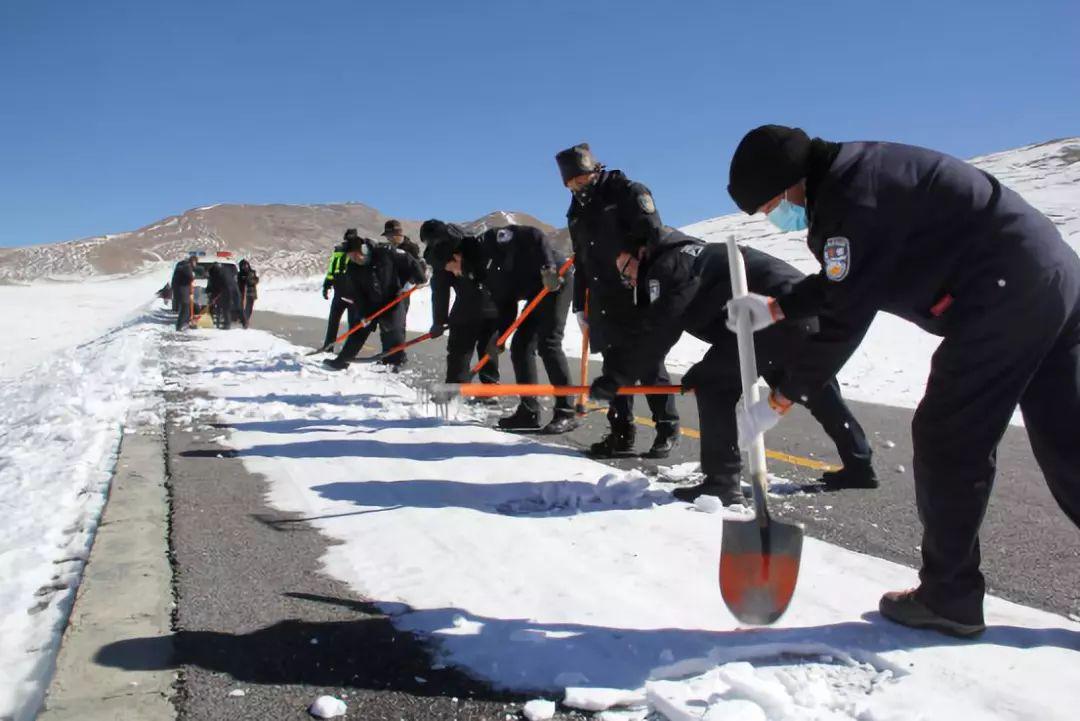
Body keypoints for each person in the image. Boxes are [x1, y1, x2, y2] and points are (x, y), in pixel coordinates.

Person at [725, 124, 1080, 637]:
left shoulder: (851, 201)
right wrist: (777, 308)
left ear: (789, 183)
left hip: (1002, 293)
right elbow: (845, 278)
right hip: (1050, 280)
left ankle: (949, 596)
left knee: (948, 436)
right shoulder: (857, 176)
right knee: (1070, 445)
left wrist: (780, 399)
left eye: (769, 207)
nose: (775, 220)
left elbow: (845, 318)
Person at [589, 226, 875, 505]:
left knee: (713, 385)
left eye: (626, 269)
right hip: (799, 309)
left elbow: (661, 326)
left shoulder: (667, 265)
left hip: (773, 314)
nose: (627, 278)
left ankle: (721, 482)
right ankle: (859, 463)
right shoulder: (692, 255)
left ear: (641, 252)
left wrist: (615, 378)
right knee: (813, 387)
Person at [555, 142, 680, 458]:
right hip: (603, 298)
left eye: (580, 181)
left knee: (649, 361)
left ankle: (666, 428)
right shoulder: (576, 212)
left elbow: (654, 236)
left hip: (636, 290)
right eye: (570, 185)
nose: (576, 189)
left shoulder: (627, 192)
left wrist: (641, 269)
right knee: (613, 366)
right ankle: (621, 432)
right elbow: (582, 261)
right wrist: (580, 305)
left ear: (593, 170)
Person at [474, 224, 579, 433]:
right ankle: (528, 412)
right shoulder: (489, 274)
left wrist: (548, 268)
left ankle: (566, 412)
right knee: (521, 346)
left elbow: (535, 234)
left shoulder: (494, 240)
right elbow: (507, 307)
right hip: (536, 292)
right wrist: (500, 339)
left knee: (549, 343)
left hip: (555, 279)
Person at [323, 230, 426, 371]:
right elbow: (357, 294)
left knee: (393, 331)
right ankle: (342, 361)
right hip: (371, 303)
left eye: (355, 256)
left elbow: (410, 260)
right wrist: (363, 314)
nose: (355, 259)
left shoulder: (385, 252)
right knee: (358, 331)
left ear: (364, 250)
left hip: (393, 299)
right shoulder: (353, 268)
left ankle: (395, 363)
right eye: (351, 257)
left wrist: (419, 279)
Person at [420, 220, 501, 394]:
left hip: (485, 304)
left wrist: (439, 322)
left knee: (470, 347)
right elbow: (440, 291)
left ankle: (471, 389)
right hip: (481, 304)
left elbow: (441, 290)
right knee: (476, 348)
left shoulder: (476, 245)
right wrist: (439, 321)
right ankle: (471, 388)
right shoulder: (441, 256)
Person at [380, 219, 422, 365]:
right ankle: (386, 354)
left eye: (390, 236)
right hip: (389, 291)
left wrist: (408, 284)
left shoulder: (410, 247)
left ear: (398, 234)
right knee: (385, 323)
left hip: (403, 291)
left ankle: (398, 356)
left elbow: (417, 268)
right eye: (387, 237)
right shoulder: (388, 248)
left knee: (398, 325)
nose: (389, 239)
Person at [321, 239, 349, 350]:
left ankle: (348, 351)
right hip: (341, 293)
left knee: (338, 321)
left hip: (350, 294)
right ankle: (328, 347)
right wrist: (326, 285)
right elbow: (331, 271)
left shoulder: (341, 251)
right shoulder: (339, 252)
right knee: (334, 321)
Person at [206, 262, 236, 330]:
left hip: (222, 293)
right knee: (218, 308)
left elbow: (222, 285)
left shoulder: (219, 275)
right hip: (218, 293)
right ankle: (216, 322)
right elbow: (211, 285)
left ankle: (225, 324)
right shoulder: (215, 274)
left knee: (224, 309)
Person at [171, 255, 197, 330]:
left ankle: (184, 323)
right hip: (183, 290)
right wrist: (193, 275)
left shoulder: (181, 266)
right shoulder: (187, 267)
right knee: (185, 308)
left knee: (186, 308)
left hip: (180, 290)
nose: (195, 265)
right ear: (193, 261)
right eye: (195, 263)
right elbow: (190, 277)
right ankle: (180, 326)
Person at [237, 259, 259, 329]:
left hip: (250, 294)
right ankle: (244, 321)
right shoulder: (239, 274)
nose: (244, 267)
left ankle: (246, 321)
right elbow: (238, 283)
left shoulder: (252, 272)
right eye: (243, 266)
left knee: (249, 308)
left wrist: (249, 280)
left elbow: (255, 280)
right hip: (242, 294)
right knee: (242, 308)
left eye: (245, 265)